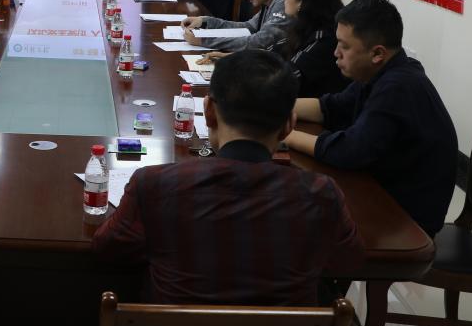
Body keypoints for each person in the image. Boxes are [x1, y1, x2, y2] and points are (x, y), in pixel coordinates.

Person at [93, 50, 365, 306]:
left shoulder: (154, 184)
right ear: (289, 125)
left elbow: (107, 249)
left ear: (209, 112)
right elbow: (347, 262)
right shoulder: (321, 194)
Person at [284, 0, 457, 236]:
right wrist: (278, 107)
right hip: (381, 189)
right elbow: (331, 107)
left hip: (406, 220)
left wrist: (285, 135)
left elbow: (349, 150)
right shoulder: (382, 71)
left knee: (302, 225)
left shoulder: (397, 87)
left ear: (377, 53)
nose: (335, 53)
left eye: (344, 46)